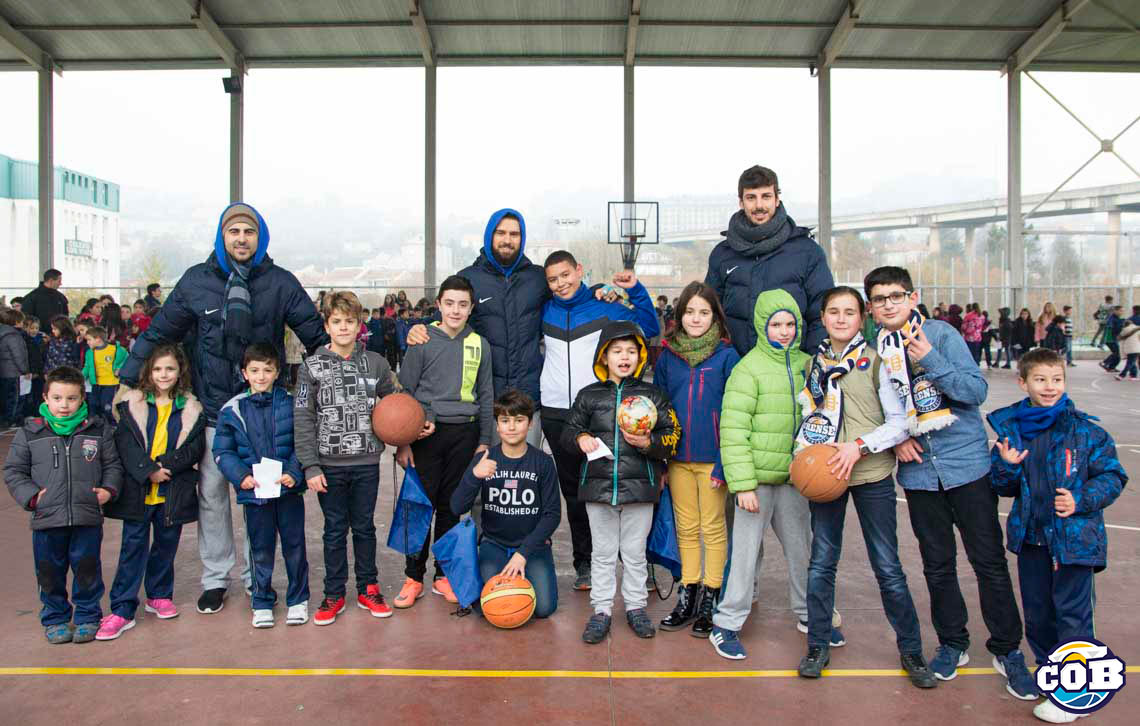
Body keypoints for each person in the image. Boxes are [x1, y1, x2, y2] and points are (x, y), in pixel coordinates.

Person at [116, 202, 327, 616]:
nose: (242, 239)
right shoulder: (196, 282)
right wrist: (127, 380)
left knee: (258, 497)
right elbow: (161, 331)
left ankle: (255, 578)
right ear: (222, 236)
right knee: (212, 496)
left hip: (262, 414)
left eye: (249, 232)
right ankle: (216, 578)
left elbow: (316, 336)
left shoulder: (281, 283)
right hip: (213, 411)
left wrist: (352, 376)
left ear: (260, 237)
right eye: (234, 232)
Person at [863, 266, 1036, 699]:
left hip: (966, 466)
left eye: (896, 296)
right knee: (937, 565)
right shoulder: (876, 351)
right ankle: (953, 641)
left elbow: (973, 391)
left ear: (912, 296)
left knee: (988, 562)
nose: (888, 304)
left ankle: (1007, 648)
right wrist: (898, 439)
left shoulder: (940, 335)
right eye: (880, 298)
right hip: (920, 473)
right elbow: (880, 413)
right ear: (872, 307)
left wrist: (929, 360)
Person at [793, 286, 935, 687]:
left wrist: (859, 447)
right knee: (821, 562)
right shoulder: (815, 365)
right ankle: (818, 644)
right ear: (822, 319)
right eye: (833, 311)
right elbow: (811, 419)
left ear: (863, 317)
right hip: (828, 478)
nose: (841, 318)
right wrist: (804, 456)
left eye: (849, 312)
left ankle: (911, 650)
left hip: (870, 474)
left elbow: (899, 421)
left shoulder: (877, 362)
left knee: (887, 565)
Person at [986, 348, 1127, 724]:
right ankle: (1055, 679)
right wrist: (1005, 466)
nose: (1049, 387)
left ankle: (1074, 695)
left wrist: (1080, 499)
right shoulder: (1012, 431)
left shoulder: (1086, 431)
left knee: (1074, 617)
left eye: (1056, 379)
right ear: (1023, 382)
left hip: (1075, 542)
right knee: (1038, 616)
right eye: (1040, 379)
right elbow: (1002, 486)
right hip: (1032, 539)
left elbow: (1113, 477)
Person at [708, 290, 840, 661]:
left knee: (803, 551)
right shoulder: (748, 369)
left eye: (790, 324)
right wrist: (743, 484)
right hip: (757, 483)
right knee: (746, 554)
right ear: (762, 326)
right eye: (776, 324)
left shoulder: (808, 365)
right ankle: (727, 623)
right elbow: (733, 430)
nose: (783, 331)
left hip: (795, 480)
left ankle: (810, 615)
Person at [538, 250, 660, 591]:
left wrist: (633, 291)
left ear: (579, 270)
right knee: (575, 492)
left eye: (566, 274)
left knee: (621, 486)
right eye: (552, 279)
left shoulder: (604, 306)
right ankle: (585, 564)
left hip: (600, 410)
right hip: (557, 413)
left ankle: (638, 564)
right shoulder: (543, 311)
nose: (561, 283)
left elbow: (649, 326)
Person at [563, 320, 680, 643]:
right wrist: (581, 438)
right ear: (603, 357)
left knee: (633, 552)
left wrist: (649, 445)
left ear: (641, 357)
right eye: (617, 351)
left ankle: (636, 607)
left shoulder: (652, 395)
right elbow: (567, 432)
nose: (624, 357)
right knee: (601, 553)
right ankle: (601, 610)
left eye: (631, 351)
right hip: (598, 489)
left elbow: (672, 435)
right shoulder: (589, 396)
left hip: (639, 488)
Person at [294, 292, 398, 625]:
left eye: (349, 321)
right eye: (336, 321)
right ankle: (334, 594)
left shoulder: (377, 363)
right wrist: (310, 464)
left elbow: (397, 405)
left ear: (359, 325)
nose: (343, 327)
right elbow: (303, 417)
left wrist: (410, 431)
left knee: (365, 528)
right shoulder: (311, 366)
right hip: (328, 466)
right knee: (335, 530)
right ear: (326, 325)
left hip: (367, 462)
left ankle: (369, 587)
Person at [3, 366, 123, 644]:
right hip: (46, 518)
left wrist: (108, 490)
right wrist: (32, 497)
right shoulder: (30, 433)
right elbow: (14, 471)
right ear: (45, 398)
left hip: (86, 517)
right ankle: (55, 617)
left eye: (71, 398)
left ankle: (87, 615)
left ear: (82, 398)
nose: (64, 405)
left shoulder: (97, 430)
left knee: (87, 568)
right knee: (49, 572)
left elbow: (112, 465)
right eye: (57, 398)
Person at [394, 275, 494, 608]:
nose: (455, 310)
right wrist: (404, 441)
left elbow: (486, 395)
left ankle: (443, 576)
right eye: (449, 303)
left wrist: (484, 441)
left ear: (471, 308)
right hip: (425, 436)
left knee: (453, 508)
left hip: (464, 436)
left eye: (462, 304)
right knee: (419, 506)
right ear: (438, 304)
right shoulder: (422, 341)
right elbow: (404, 393)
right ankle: (412, 577)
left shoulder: (480, 344)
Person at [97, 344, 205, 640]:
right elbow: (126, 446)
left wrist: (165, 466)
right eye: (158, 369)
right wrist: (148, 470)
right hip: (139, 491)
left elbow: (193, 448)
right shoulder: (131, 405)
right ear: (148, 371)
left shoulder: (192, 408)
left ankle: (159, 594)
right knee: (133, 548)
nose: (164, 374)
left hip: (172, 490)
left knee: (166, 546)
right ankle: (122, 608)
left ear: (180, 370)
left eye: (170, 368)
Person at [651, 281, 739, 636]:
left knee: (713, 528)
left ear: (714, 316)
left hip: (713, 460)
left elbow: (735, 413)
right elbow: (659, 408)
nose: (696, 318)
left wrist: (725, 461)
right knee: (686, 529)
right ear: (679, 315)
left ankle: (711, 597)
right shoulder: (668, 356)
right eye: (690, 312)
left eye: (704, 312)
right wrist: (661, 459)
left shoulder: (727, 356)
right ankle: (688, 593)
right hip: (677, 459)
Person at [213, 343, 308, 628]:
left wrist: (294, 471)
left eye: (268, 370)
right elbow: (223, 451)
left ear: (277, 372)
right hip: (255, 495)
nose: (261, 376)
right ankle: (262, 601)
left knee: (295, 546)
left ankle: (298, 600)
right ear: (244, 373)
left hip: (288, 491)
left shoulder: (291, 404)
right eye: (254, 370)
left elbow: (302, 442)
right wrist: (241, 476)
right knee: (260, 548)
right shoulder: (232, 410)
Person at [452, 390, 561, 620]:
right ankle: (509, 573)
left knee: (543, 609)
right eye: (505, 420)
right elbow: (456, 507)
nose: (511, 427)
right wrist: (475, 476)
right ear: (497, 425)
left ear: (530, 424)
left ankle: (529, 571)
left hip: (533, 547)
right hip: (495, 544)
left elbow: (552, 515)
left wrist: (523, 553)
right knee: (484, 608)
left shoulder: (543, 462)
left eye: (519, 420)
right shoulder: (484, 459)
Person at [705, 165, 834, 356]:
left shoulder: (807, 252)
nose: (759, 205)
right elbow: (710, 314)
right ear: (741, 202)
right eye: (751, 197)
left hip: (792, 371)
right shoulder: (722, 254)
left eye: (766, 196)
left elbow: (822, 314)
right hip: (735, 368)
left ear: (777, 199)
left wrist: (811, 364)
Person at [81, 326, 128, 422]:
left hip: (111, 384)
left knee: (107, 406)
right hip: (95, 383)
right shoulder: (89, 352)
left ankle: (113, 425)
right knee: (94, 405)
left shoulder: (115, 350)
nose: (87, 342)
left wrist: (120, 369)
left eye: (89, 340)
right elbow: (86, 367)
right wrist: (80, 378)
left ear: (98, 339)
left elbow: (126, 359)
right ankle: (97, 427)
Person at [0, 308, 29, 428]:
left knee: (4, 396)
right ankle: (10, 419)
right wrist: (25, 370)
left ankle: (5, 419)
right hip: (13, 372)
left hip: (3, 371)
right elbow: (18, 355)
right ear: (16, 322)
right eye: (22, 322)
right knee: (14, 397)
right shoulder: (14, 335)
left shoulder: (2, 333)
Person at [20, 315, 46, 419]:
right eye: (31, 328)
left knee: (38, 393)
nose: (34, 331)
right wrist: (29, 370)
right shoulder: (24, 340)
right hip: (29, 372)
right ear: (25, 328)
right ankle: (28, 414)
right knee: (28, 394)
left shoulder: (40, 339)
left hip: (39, 371)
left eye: (36, 328)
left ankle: (37, 413)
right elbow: (26, 357)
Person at [1115, 305, 1140, 381]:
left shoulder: (1129, 320)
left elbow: (1120, 334)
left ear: (1133, 311)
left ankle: (1133, 375)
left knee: (1132, 360)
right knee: (1133, 360)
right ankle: (1128, 375)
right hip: (1137, 343)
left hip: (1130, 345)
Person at [1100, 305, 1124, 372]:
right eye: (1120, 311)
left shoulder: (1117, 319)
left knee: (1117, 354)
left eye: (1122, 311)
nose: (1121, 312)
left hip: (1114, 338)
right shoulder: (1112, 319)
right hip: (1110, 339)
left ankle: (1111, 367)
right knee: (1116, 353)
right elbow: (1110, 328)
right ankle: (1104, 362)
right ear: (1115, 311)